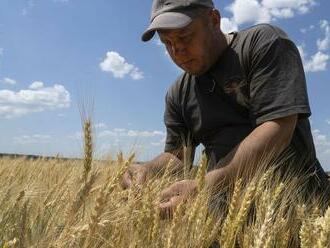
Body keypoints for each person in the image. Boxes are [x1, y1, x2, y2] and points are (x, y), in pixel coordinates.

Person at [121, 0, 330, 215]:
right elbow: (178, 156)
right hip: (224, 221)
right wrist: (146, 169)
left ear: (214, 20)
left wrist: (205, 186)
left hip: (299, 212)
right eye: (167, 43)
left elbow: (278, 127)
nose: (177, 51)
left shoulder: (263, 44)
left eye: (184, 36)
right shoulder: (178, 93)